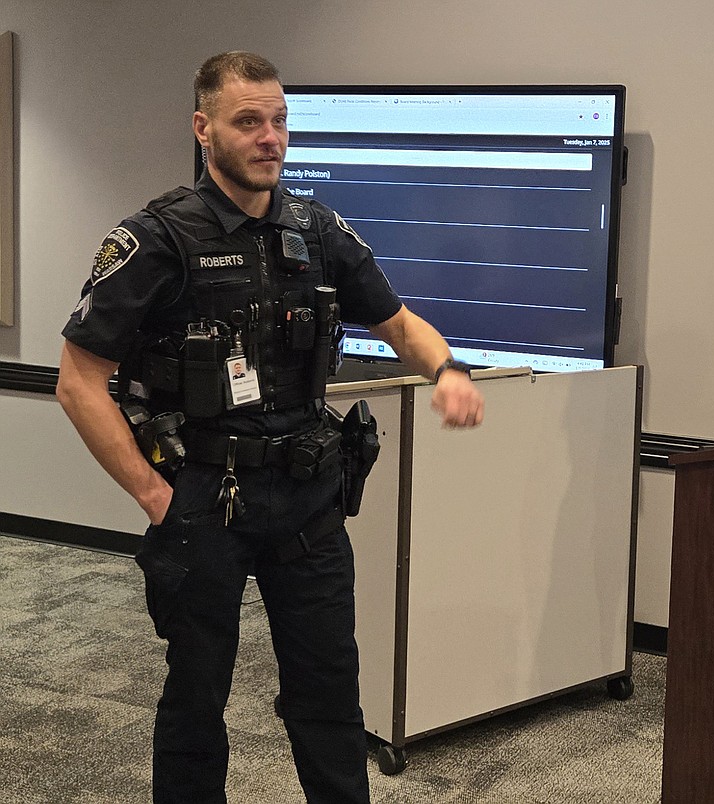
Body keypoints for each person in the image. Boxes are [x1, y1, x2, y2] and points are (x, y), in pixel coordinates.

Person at [56, 51, 484, 804]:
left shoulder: (316, 230)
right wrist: (155, 497)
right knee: (196, 703)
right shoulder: (156, 239)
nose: (269, 138)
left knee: (329, 698)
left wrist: (448, 371)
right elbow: (78, 381)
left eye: (279, 121)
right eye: (248, 121)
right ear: (204, 128)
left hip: (309, 500)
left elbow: (396, 320)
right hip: (203, 504)